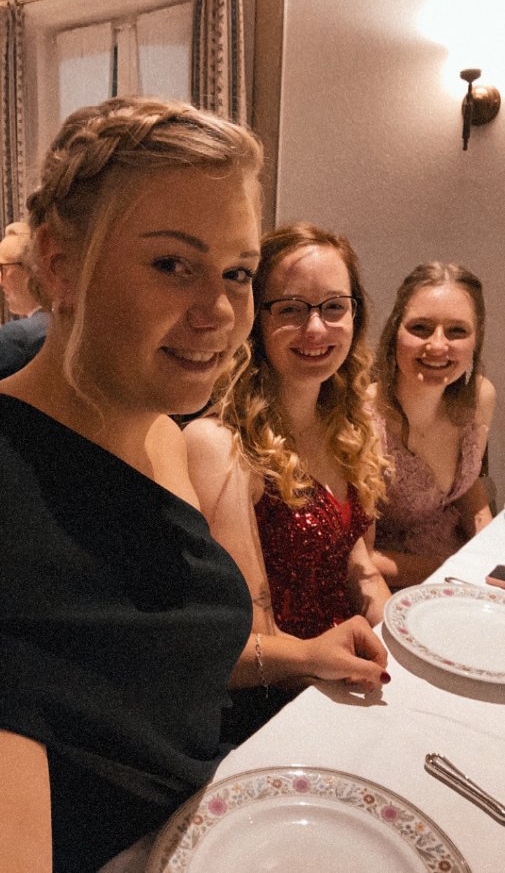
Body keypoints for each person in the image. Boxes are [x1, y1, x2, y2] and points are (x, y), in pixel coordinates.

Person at [0, 102, 388, 873]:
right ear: (59, 264)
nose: (219, 312)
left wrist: (302, 654)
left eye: (237, 273)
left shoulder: (160, 432)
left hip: (222, 817)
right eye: (172, 264)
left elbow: (160, 655)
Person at [184, 223, 391, 736]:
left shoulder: (349, 424)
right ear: (256, 318)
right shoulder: (220, 445)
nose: (316, 328)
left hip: (348, 679)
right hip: (276, 710)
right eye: (292, 309)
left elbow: (359, 567)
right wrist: (333, 670)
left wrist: (402, 636)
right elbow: (246, 644)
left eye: (334, 307)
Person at [369, 261, 496, 589]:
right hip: (393, 582)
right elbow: (358, 558)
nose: (438, 345)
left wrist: (490, 554)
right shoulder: (363, 417)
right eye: (421, 328)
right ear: (395, 331)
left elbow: (466, 485)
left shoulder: (480, 397)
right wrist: (459, 572)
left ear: (476, 339)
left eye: (457, 331)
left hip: (462, 567)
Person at [0, 220, 50, 377]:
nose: (0, 281)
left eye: (2, 269)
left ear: (29, 269)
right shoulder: (69, 323)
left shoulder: (17, 336)